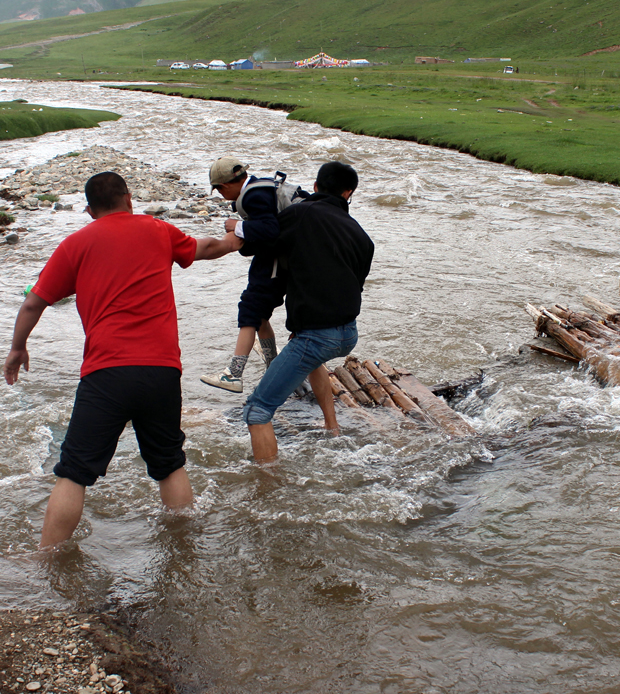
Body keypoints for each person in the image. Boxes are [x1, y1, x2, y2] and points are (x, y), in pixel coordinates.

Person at [3, 172, 243, 549]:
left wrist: (17, 349)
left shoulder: (75, 244)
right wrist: (236, 239)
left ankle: (46, 563)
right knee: (169, 464)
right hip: (162, 371)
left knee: (74, 473)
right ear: (129, 199)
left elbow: (34, 301)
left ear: (88, 210)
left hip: (106, 372)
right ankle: (184, 552)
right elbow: (206, 248)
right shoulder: (157, 229)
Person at [243, 161, 374, 462]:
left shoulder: (301, 214)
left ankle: (268, 486)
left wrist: (235, 228)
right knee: (311, 356)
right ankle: (332, 426)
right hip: (347, 333)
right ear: (348, 193)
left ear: (315, 187)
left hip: (318, 336)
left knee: (257, 409)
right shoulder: (361, 235)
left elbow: (261, 241)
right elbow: (353, 282)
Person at [200, 157, 288, 394]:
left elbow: (270, 230)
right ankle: (273, 366)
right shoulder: (263, 187)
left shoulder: (252, 195)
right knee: (259, 316)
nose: (219, 194)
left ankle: (234, 374)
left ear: (227, 184)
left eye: (218, 188)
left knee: (249, 310)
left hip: (274, 264)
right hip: (280, 261)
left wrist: (235, 226)